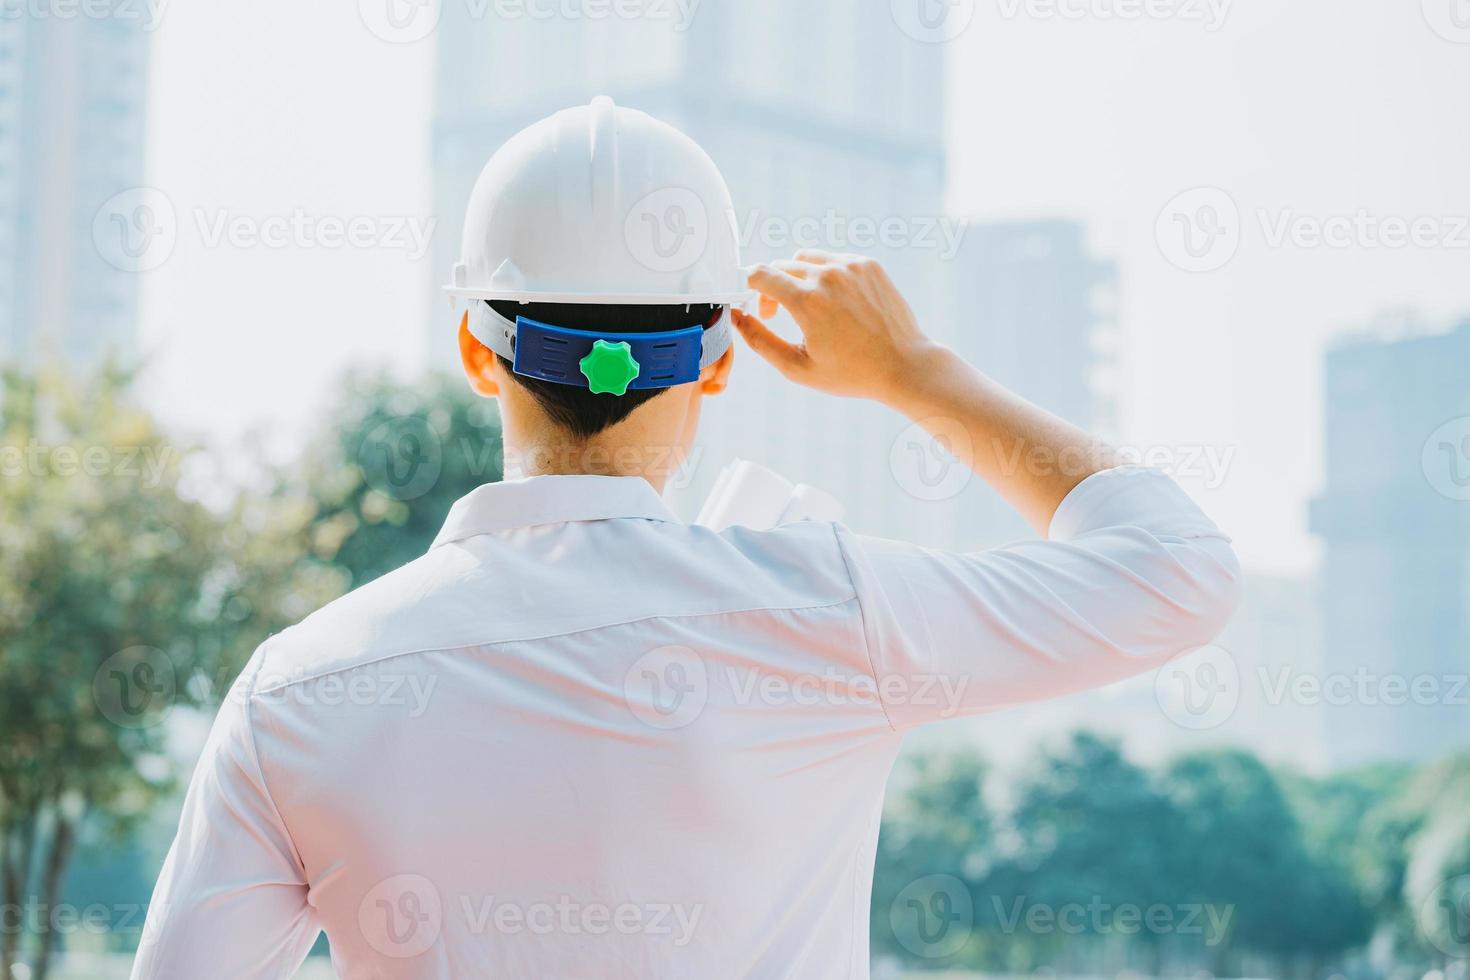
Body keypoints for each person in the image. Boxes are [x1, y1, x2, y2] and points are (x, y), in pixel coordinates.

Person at [132, 99, 1240, 979]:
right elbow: (1178, 570)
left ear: (478, 350)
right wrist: (918, 375)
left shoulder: (296, 694)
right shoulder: (827, 612)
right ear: (716, 357)